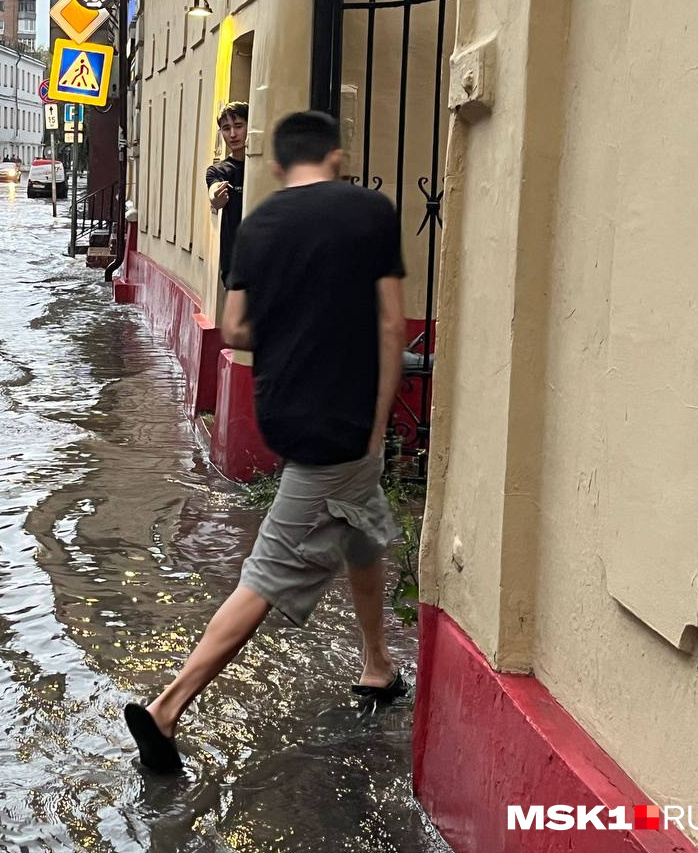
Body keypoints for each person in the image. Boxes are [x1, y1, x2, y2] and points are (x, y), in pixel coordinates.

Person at [124, 111, 408, 774]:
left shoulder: (257, 224)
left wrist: (292, 328)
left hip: (285, 411)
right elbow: (393, 324)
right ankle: (167, 708)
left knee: (361, 526)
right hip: (344, 423)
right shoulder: (371, 213)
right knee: (270, 568)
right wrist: (377, 415)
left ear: (278, 165)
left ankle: (376, 664)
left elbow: (235, 328)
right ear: (335, 155)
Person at [205, 102, 249, 288]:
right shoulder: (219, 170)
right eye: (226, 128)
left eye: (238, 126)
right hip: (235, 262)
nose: (232, 134)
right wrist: (216, 198)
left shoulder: (264, 165)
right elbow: (214, 190)